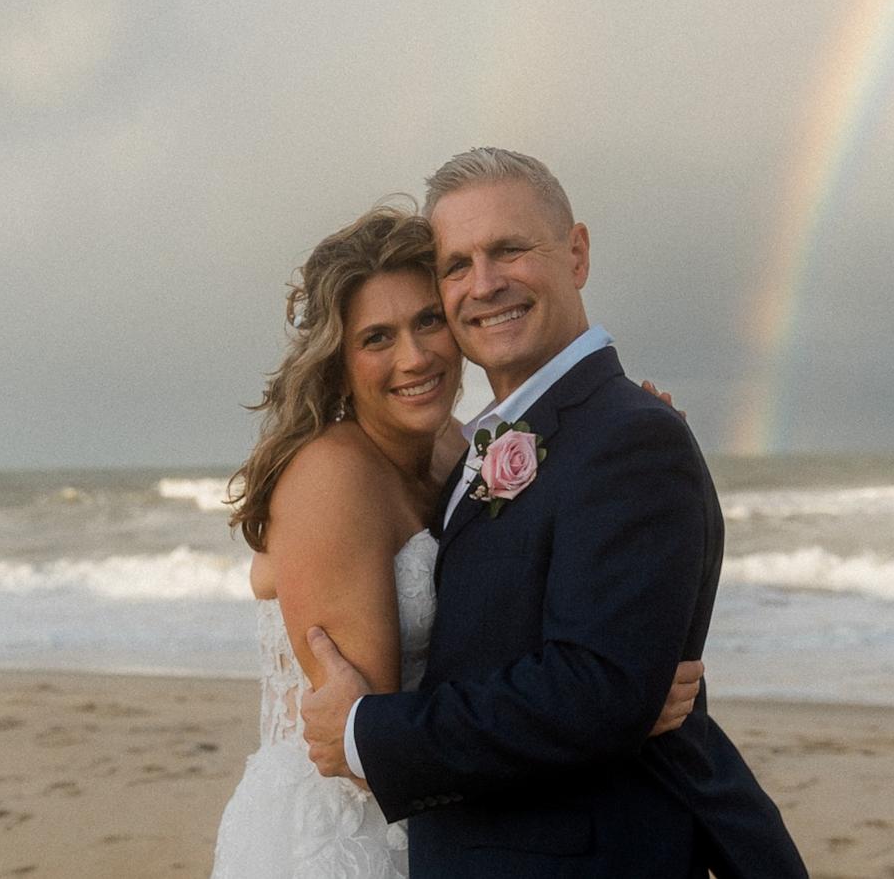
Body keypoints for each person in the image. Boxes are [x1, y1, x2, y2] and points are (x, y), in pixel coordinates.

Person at [300, 149, 809, 878]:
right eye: (457, 265)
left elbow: (595, 688)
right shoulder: (478, 446)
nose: (485, 284)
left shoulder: (630, 435)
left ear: (576, 253)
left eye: (510, 249)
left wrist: (364, 734)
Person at [210, 204, 702, 877]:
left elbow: (545, 580)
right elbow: (364, 753)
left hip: (454, 820)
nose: (414, 359)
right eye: (377, 338)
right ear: (339, 360)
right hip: (345, 836)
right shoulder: (333, 476)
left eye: (427, 321)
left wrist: (615, 679)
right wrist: (606, 717)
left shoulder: (468, 449)